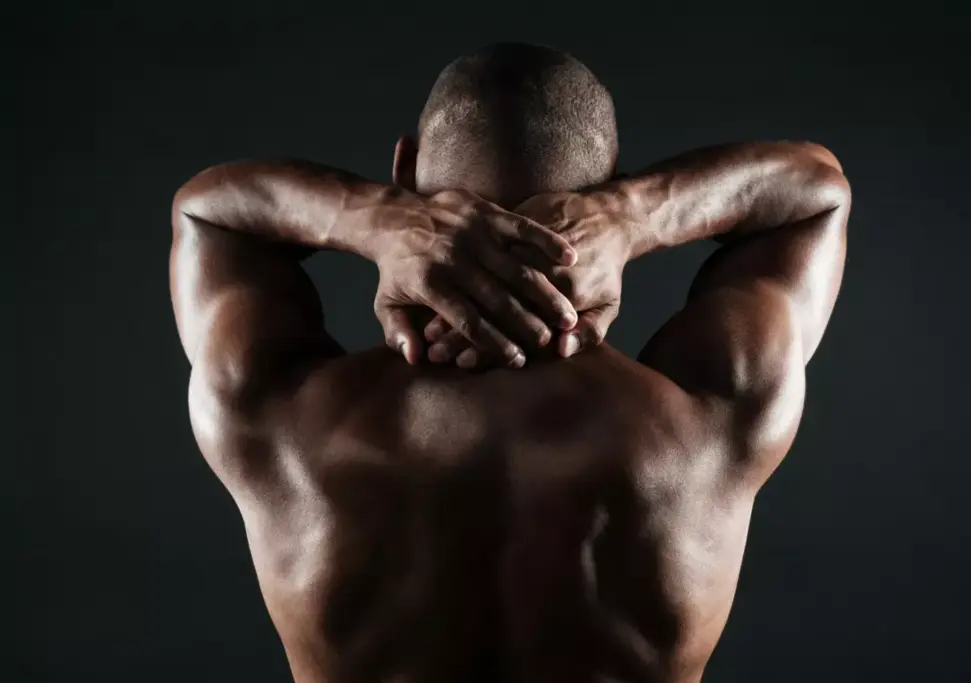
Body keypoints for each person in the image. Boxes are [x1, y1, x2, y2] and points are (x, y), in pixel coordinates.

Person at [170, 43, 850, 683]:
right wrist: (634, 215)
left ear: (403, 167)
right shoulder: (703, 419)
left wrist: (375, 219)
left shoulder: (286, 413)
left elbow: (208, 212)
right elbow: (815, 193)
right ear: (608, 178)